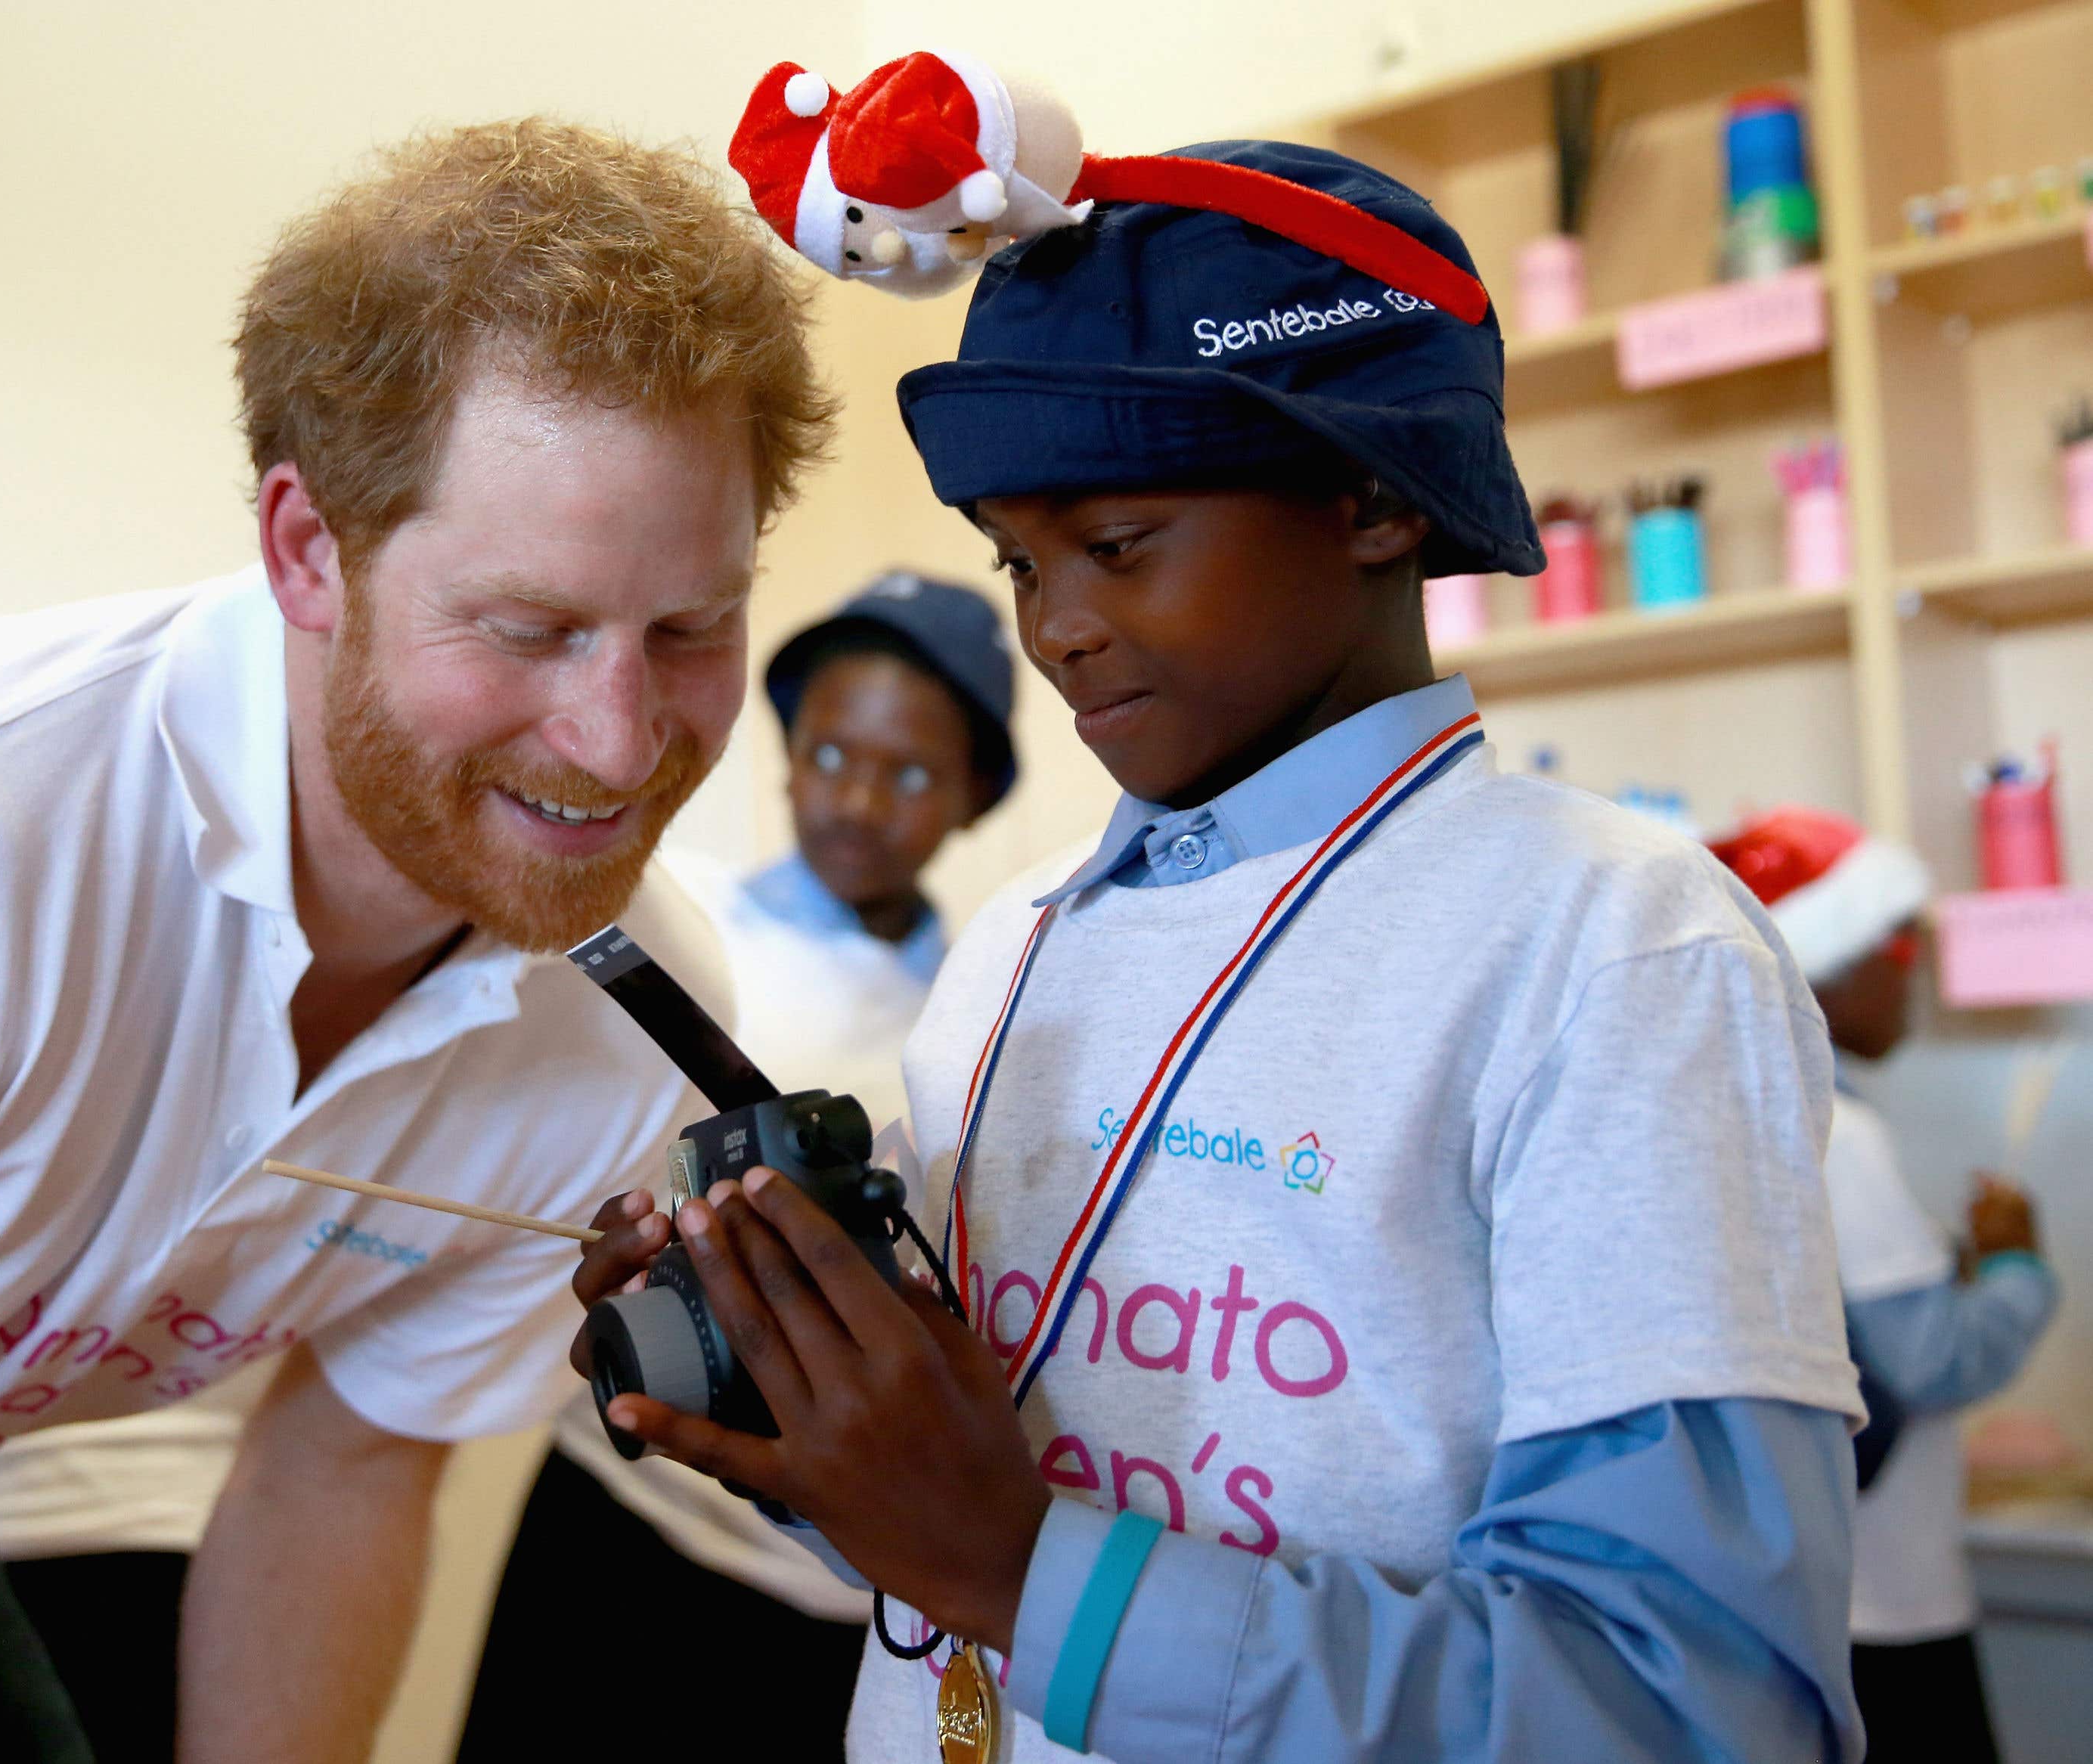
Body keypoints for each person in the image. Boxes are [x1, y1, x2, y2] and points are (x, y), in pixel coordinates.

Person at [0, 118, 831, 1762]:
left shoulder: (621, 1031)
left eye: (690, 627)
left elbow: (349, 1464)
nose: (619, 743)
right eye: (528, 627)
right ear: (308, 547)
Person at [569, 138, 1868, 1762]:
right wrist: (790, 1404)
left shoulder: (1608, 948)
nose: (1055, 626)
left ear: (1378, 493)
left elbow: (1688, 1703)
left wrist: (1019, 1564)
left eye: (1117, 540)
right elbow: (971, 1529)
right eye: (1019, 559)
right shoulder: (1013, 951)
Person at [455, 572, 1015, 1759]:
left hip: (818, 1584)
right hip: (614, 1513)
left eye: (910, 773)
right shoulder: (664, 938)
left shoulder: (979, 1020)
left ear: (973, 794)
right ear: (790, 747)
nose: (859, 800)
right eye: (830, 753)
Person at [1712, 807, 2061, 1763]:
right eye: (1896, 938)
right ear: (1823, 957)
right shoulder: (1839, 1133)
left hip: (1796, 1589)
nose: (1914, 964)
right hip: (1888, 1598)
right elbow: (1931, 1361)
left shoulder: (1740, 1109)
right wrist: (2015, 1264)